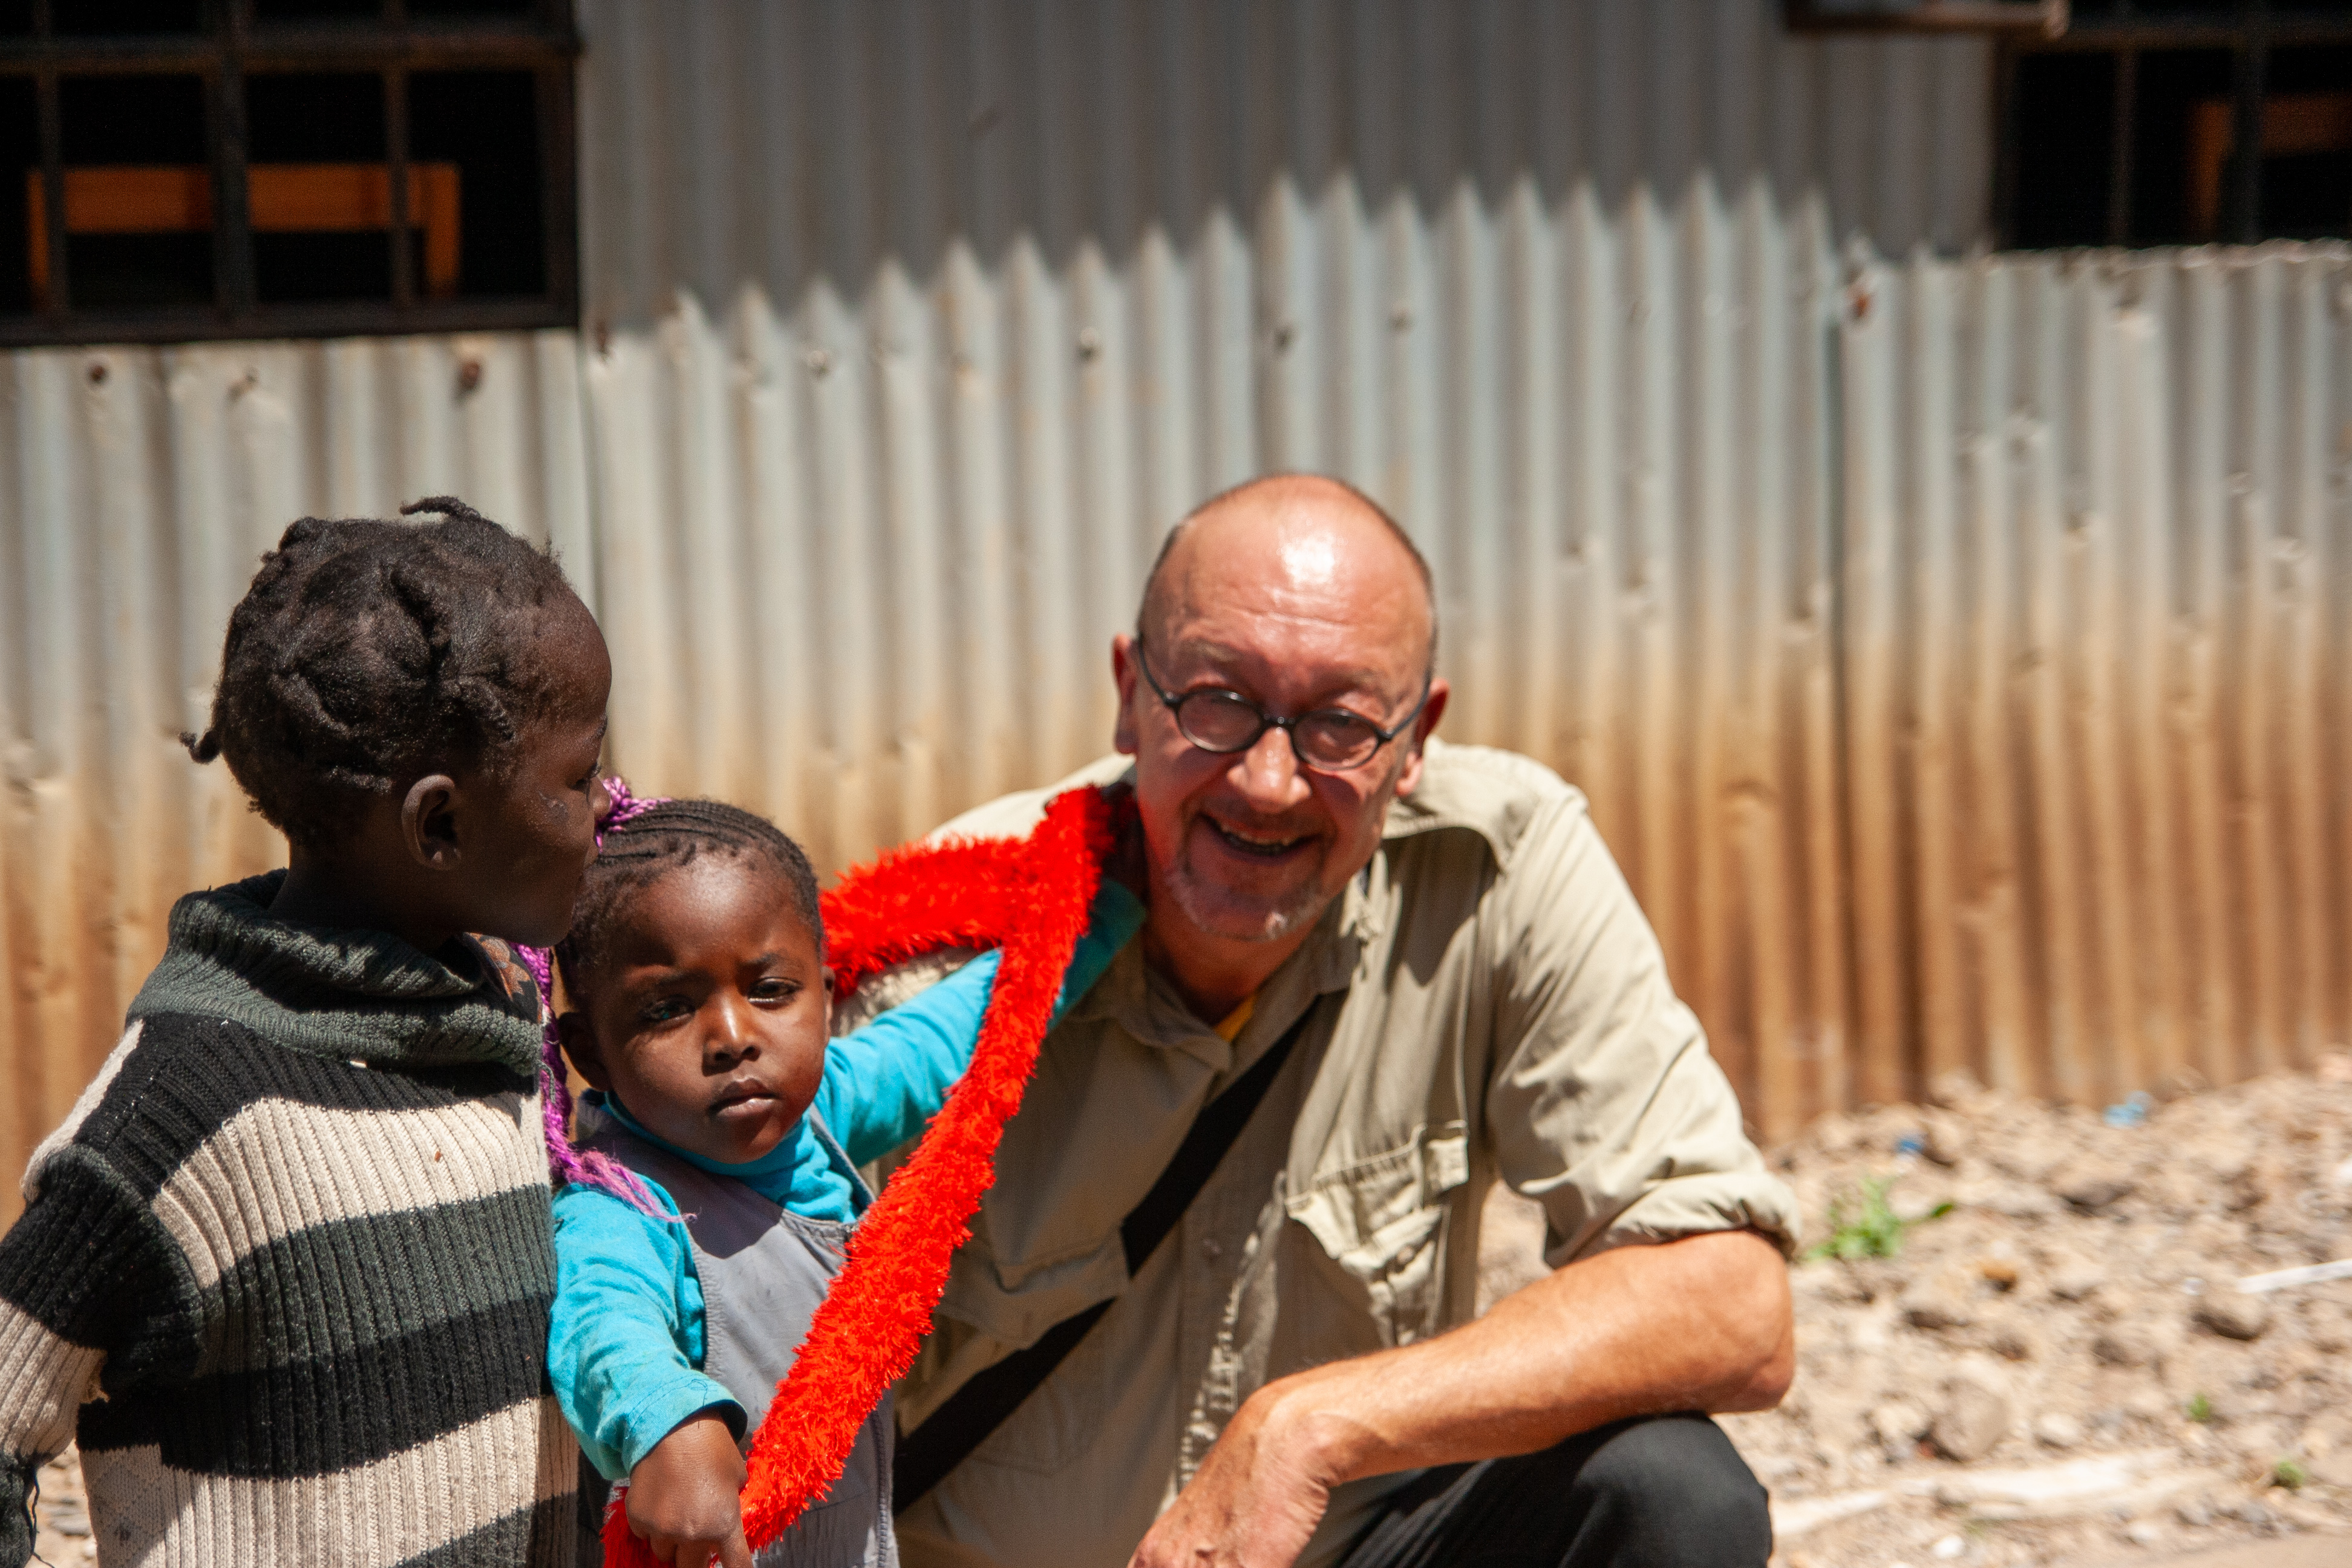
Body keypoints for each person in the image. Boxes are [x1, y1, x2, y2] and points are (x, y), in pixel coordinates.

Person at [890, 474, 1802, 1568]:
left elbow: (1732, 1301)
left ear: (1415, 739)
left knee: (1668, 1492)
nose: (1269, 782)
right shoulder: (949, 940)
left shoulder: (1498, 868)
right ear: (1131, 694)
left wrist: (1310, 1426)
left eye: (1338, 724)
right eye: (1217, 702)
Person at [0, 499, 609, 1566]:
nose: (606, 801)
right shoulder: (191, 1105)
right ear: (441, 826)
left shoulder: (500, 1029)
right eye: (576, 775)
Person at [544, 795, 1143, 1568]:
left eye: (769, 991)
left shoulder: (817, 1115)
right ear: (590, 1051)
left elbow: (947, 1037)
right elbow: (603, 1327)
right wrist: (668, 1424)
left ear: (825, 999)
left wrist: (1106, 914)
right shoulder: (622, 1205)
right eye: (668, 1009)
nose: (733, 1039)